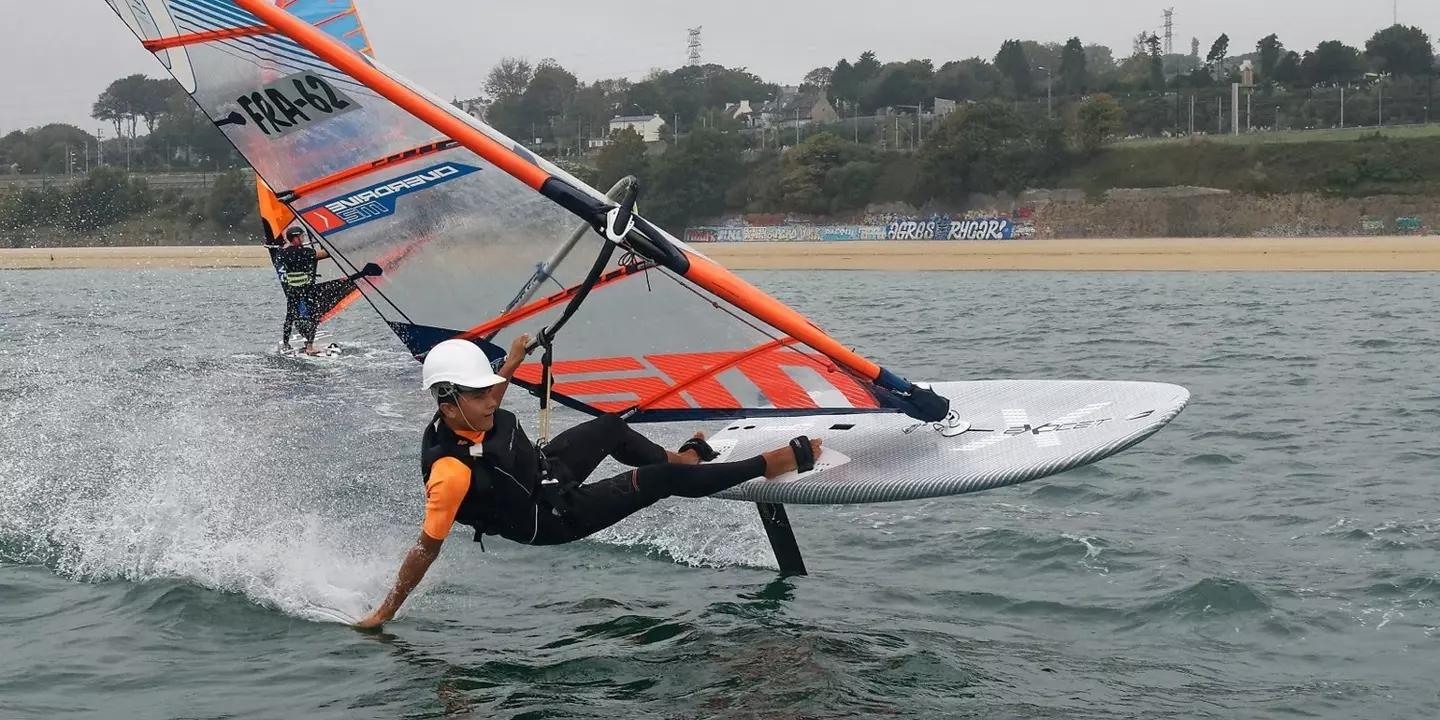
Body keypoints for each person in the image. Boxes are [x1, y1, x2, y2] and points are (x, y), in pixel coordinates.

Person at [352, 336, 821, 629]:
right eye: (478, 393)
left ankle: (684, 459)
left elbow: (492, 393)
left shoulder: (472, 406)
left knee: (610, 427)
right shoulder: (450, 474)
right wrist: (387, 610)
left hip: (542, 469)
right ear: (448, 403)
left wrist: (512, 360)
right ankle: (771, 463)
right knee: (658, 481)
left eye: (487, 387)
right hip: (553, 517)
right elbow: (424, 550)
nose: (491, 398)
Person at [274, 225, 331, 355]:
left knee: (290, 316)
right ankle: (310, 347)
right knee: (313, 316)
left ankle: (286, 343)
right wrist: (327, 244)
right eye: (301, 236)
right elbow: (325, 254)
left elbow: (287, 247)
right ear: (295, 238)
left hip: (292, 290)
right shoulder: (303, 252)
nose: (303, 238)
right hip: (305, 289)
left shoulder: (283, 253)